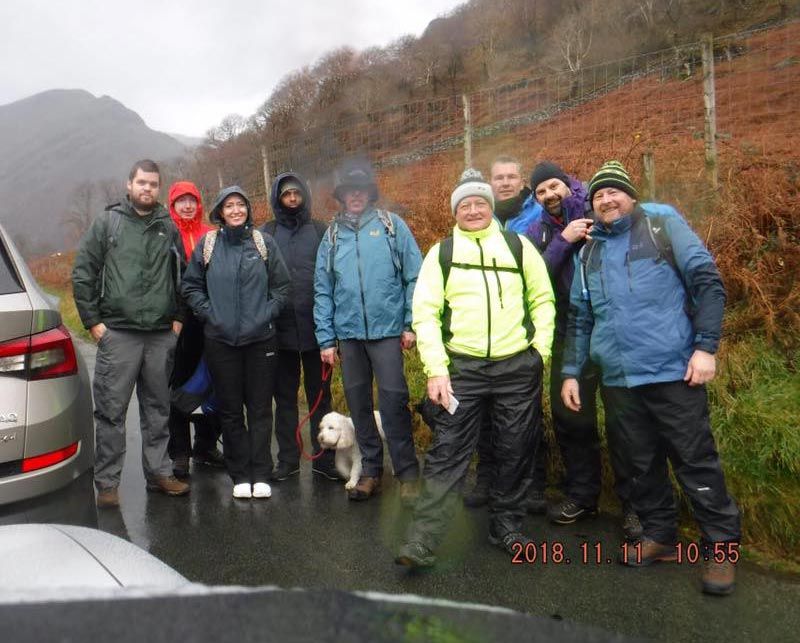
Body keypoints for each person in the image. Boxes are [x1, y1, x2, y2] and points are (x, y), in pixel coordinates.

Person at [562, 160, 741, 595]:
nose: (606, 199)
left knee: (694, 459)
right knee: (638, 464)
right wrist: (570, 372)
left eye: (614, 191)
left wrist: (705, 347)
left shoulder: (662, 225)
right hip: (619, 379)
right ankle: (660, 535)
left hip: (673, 370)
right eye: (598, 195)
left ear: (631, 195)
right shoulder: (588, 252)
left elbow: (707, 282)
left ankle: (721, 549)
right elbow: (581, 319)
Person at [396, 169, 555, 568]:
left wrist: (540, 353)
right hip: (461, 369)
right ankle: (424, 538)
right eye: (464, 204)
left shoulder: (518, 247)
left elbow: (544, 301)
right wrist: (436, 369)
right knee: (447, 452)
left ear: (491, 207)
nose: (472, 210)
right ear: (455, 212)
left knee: (516, 448)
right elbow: (426, 314)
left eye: (479, 202)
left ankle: (507, 526)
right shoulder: (442, 252)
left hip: (517, 366)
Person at [526, 161, 641, 539]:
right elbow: (533, 278)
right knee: (572, 418)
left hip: (610, 330)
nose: (549, 195)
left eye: (553, 186)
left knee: (625, 420)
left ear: (568, 184)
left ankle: (636, 506)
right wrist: (564, 241)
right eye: (541, 191)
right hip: (565, 332)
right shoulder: (536, 231)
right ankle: (583, 495)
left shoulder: (599, 210)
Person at [72, 159, 189, 508]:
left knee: (158, 409)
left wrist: (179, 318)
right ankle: (108, 484)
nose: (147, 189)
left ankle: (159, 474)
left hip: (159, 334)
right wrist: (93, 321)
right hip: (119, 334)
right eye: (142, 183)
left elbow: (183, 275)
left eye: (153, 184)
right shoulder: (108, 223)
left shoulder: (168, 227)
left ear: (159, 188)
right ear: (129, 185)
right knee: (111, 411)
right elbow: (83, 272)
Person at [313, 159, 421, 504]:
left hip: (388, 332)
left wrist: (409, 322)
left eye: (360, 189)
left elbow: (414, 276)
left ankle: (407, 474)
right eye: (348, 191)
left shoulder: (392, 226)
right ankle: (371, 471)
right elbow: (323, 289)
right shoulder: (331, 236)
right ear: (342, 197)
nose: (355, 195)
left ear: (369, 193)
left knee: (393, 401)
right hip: (349, 336)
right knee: (359, 405)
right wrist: (326, 338)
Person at [181, 186, 290, 499]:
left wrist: (265, 314)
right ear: (219, 211)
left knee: (258, 409)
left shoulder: (262, 243)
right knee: (230, 410)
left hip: (261, 340)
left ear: (248, 209)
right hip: (220, 340)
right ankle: (240, 474)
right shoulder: (209, 245)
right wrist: (210, 315)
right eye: (228, 205)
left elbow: (282, 287)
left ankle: (261, 472)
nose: (235, 210)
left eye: (240, 204)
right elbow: (191, 287)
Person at [462, 154, 548, 512]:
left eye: (512, 176)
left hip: (530, 329)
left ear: (522, 180)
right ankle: (488, 477)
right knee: (486, 413)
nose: (506, 183)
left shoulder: (541, 213)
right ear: (490, 183)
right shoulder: (483, 217)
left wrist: (540, 348)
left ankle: (534, 484)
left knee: (528, 414)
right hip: (488, 332)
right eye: (499, 177)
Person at [260, 172, 341, 482]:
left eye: (297, 193)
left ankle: (324, 460)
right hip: (278, 334)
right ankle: (288, 459)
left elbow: (333, 279)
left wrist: (332, 331)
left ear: (304, 196)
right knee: (284, 399)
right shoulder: (266, 233)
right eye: (286, 194)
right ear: (277, 198)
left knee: (321, 397)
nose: (292, 199)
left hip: (317, 333)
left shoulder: (321, 230)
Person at [166, 181, 224, 477]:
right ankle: (179, 452)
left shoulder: (211, 234)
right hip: (179, 323)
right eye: (181, 201)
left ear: (199, 203)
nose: (187, 205)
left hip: (210, 320)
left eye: (192, 200)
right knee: (180, 385)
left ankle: (206, 445)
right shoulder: (167, 236)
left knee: (211, 383)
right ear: (172, 204)